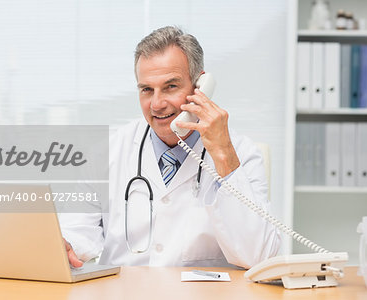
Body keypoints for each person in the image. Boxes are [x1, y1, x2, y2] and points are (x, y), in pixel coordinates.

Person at [61, 26, 280, 269]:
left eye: (170, 87)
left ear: (200, 86)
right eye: (146, 90)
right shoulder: (107, 151)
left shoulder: (241, 154)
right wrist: (67, 244)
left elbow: (261, 256)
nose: (156, 104)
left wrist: (224, 157)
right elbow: (78, 232)